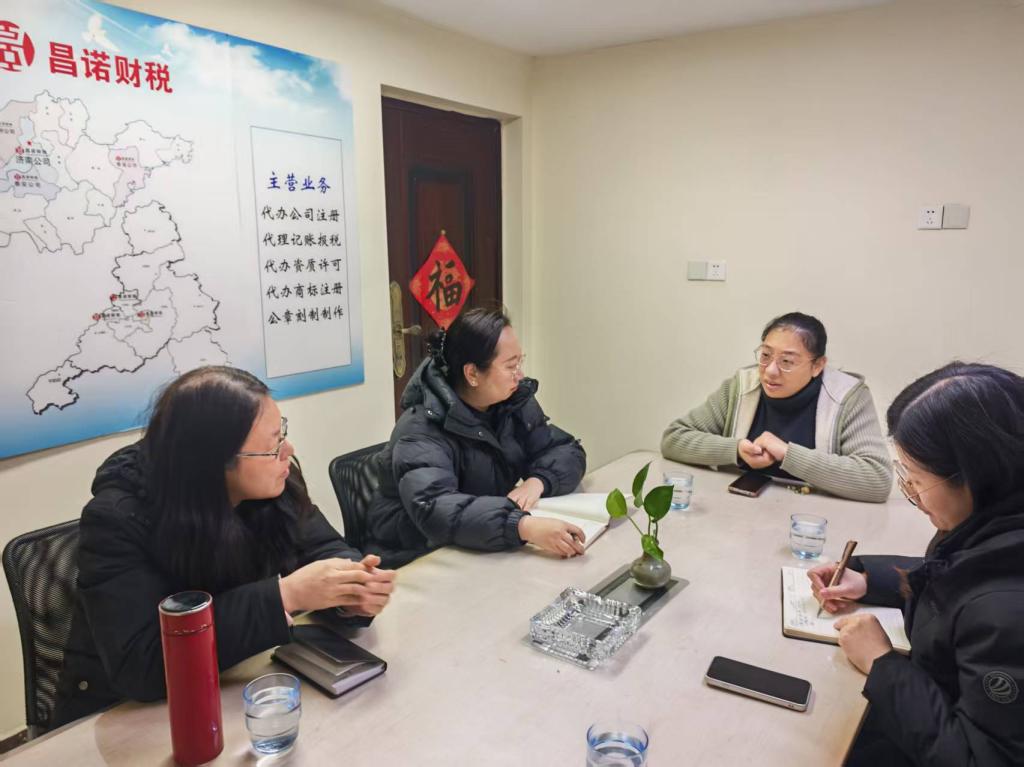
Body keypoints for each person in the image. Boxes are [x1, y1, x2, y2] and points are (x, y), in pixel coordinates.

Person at [53, 366, 396, 727]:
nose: (287, 451)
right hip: (122, 718)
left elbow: (324, 548)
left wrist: (352, 591)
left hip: (235, 686)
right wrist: (284, 596)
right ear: (214, 462)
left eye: (282, 434)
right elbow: (141, 663)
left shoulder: (273, 483)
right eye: (272, 446)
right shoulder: (117, 520)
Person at [810, 362, 1024, 765]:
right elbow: (959, 577)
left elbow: (980, 758)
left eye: (916, 479)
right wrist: (868, 579)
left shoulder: (1008, 613)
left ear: (975, 476)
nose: (911, 492)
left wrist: (881, 663)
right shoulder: (992, 525)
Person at [364, 307, 587, 566]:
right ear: (472, 374)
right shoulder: (421, 430)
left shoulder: (511, 403)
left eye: (520, 362)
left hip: (479, 542)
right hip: (416, 558)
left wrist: (538, 481)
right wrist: (521, 526)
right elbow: (437, 508)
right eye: (511, 366)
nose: (520, 375)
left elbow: (565, 450)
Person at [661, 311, 892, 502]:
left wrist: (788, 454)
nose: (770, 371)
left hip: (815, 519)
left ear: (817, 366)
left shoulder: (847, 397)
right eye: (765, 355)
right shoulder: (742, 386)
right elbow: (674, 438)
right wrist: (737, 450)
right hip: (738, 513)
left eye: (787, 361)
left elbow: (877, 479)